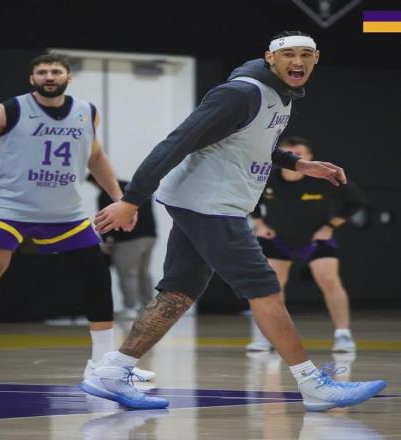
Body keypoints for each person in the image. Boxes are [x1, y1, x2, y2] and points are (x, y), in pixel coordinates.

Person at [79, 31, 386, 410]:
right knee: (265, 289)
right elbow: (177, 142)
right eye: (289, 54)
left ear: (317, 58)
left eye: (306, 55)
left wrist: (297, 163)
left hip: (200, 201)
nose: (298, 62)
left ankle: (113, 370)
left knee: (178, 292)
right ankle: (313, 385)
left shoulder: (280, 94)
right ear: (270, 58)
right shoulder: (240, 93)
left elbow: (253, 143)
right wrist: (131, 199)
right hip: (212, 203)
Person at [0, 53, 154, 386]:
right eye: (42, 72)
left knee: (96, 277)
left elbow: (96, 156)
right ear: (32, 78)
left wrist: (120, 199)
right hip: (9, 209)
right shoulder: (8, 110)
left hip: (64, 213)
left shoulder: (87, 112)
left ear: (68, 77)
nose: (49, 76)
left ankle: (102, 363)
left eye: (56, 71)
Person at [247, 136, 367, 352]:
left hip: (315, 239)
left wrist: (329, 227)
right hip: (278, 239)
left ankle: (343, 335)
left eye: (299, 154)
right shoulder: (266, 178)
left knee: (329, 279)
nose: (293, 158)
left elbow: (356, 201)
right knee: (271, 286)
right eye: (288, 154)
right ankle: (267, 337)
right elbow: (247, 200)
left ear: (309, 157)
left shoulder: (323, 177)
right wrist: (259, 224)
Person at [88, 175, 157, 319]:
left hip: (127, 239)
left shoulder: (106, 194)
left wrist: (108, 240)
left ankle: (131, 307)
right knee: (143, 272)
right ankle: (149, 307)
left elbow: (105, 221)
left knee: (128, 274)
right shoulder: (136, 188)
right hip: (149, 236)